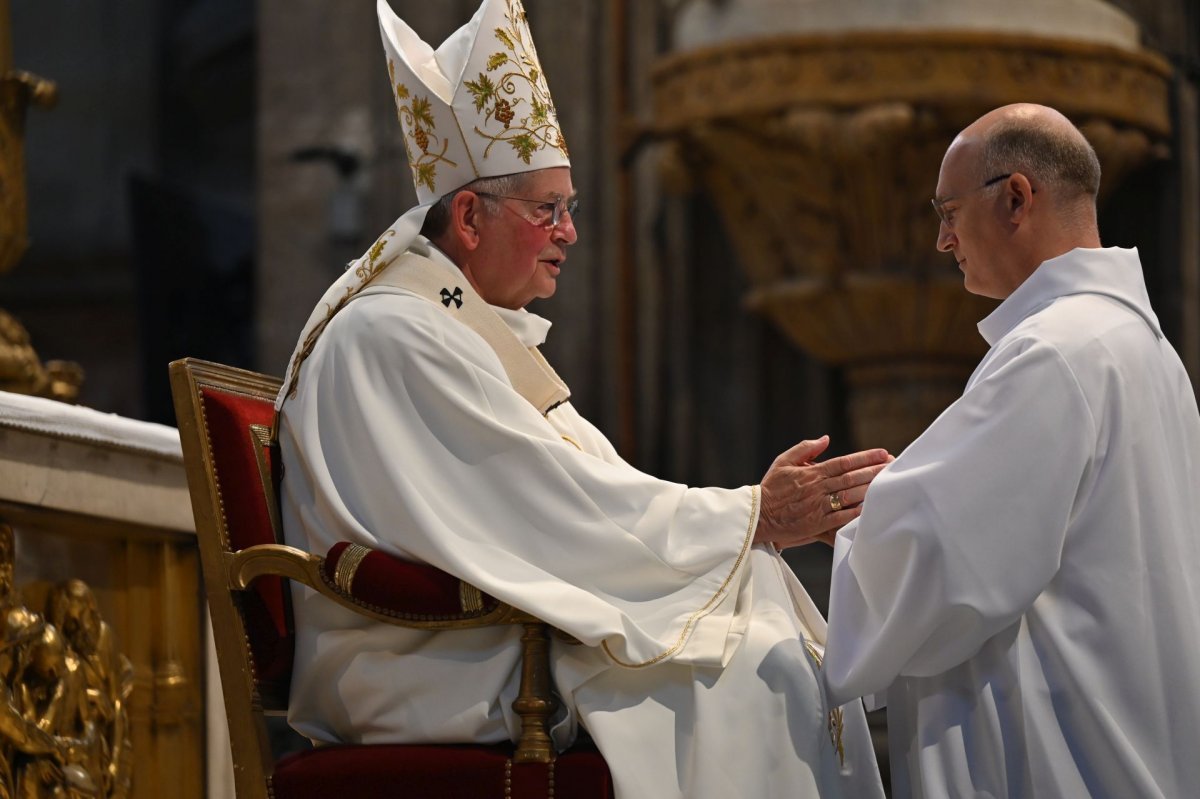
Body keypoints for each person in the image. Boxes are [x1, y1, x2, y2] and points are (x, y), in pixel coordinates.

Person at [275, 1, 889, 797]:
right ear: (468, 215)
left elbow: (576, 487)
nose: (568, 233)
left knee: (758, 613)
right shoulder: (396, 334)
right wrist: (746, 515)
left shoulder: (458, 321)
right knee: (744, 668)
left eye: (571, 210)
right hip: (419, 661)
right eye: (548, 210)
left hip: (475, 638)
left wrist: (740, 524)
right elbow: (543, 505)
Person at [823, 103, 1200, 798]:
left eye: (948, 211)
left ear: (1017, 198)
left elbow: (944, 564)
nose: (942, 240)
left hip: (1066, 761)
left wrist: (851, 518)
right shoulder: (1148, 350)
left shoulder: (1054, 352)